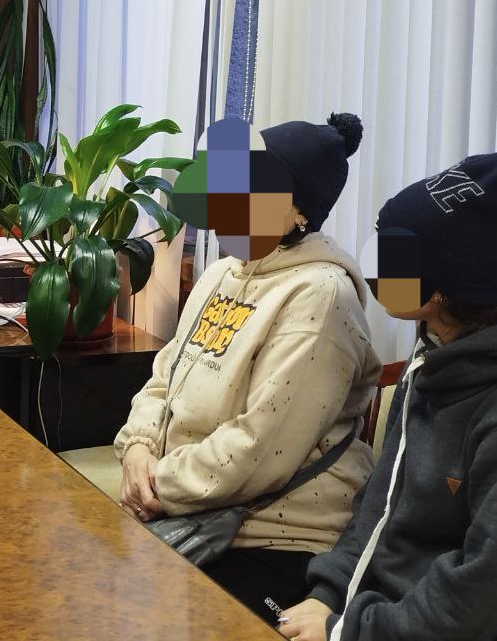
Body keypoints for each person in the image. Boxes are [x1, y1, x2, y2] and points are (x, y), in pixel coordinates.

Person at [279, 151, 497, 641]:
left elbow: (479, 595)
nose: (374, 272)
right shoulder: (437, 358)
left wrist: (348, 630)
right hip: (413, 613)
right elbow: (380, 505)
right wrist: (329, 594)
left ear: (441, 289)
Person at [113, 113, 381, 626]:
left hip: (277, 535)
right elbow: (162, 379)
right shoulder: (220, 274)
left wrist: (157, 485)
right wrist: (138, 450)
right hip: (189, 507)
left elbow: (259, 450)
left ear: (299, 212)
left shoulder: (321, 296)